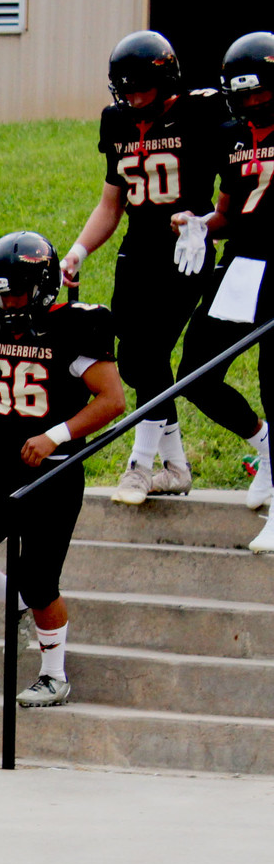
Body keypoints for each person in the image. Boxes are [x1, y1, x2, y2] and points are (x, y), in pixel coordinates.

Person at [0, 232, 125, 706]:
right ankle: (10, 600)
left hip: (56, 468)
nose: (4, 301)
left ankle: (55, 674)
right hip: (5, 463)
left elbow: (113, 400)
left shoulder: (75, 327)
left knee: (41, 580)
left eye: (13, 291)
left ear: (40, 287)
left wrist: (56, 435)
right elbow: (6, 391)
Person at [60, 31, 225, 505]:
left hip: (184, 247)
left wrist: (209, 222)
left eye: (140, 88)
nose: (131, 98)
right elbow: (112, 202)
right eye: (124, 89)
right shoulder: (116, 122)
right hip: (137, 250)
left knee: (151, 354)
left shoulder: (200, 111)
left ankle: (142, 463)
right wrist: (79, 250)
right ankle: (175, 465)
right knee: (133, 359)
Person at [174, 31, 274, 552]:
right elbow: (232, 213)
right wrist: (199, 225)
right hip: (244, 264)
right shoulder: (235, 136)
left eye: (263, 93)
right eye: (246, 95)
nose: (255, 103)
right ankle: (264, 445)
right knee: (195, 373)